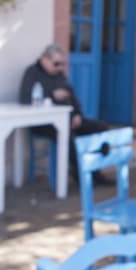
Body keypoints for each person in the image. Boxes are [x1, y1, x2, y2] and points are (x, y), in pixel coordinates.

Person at [19, 44, 113, 185]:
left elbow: (72, 96)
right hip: (44, 123)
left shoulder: (59, 75)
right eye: (56, 64)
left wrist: (77, 114)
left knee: (101, 128)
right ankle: (82, 174)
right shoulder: (32, 72)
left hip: (68, 119)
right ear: (44, 59)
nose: (60, 68)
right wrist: (51, 95)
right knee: (68, 136)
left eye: (62, 64)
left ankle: (95, 169)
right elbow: (24, 98)